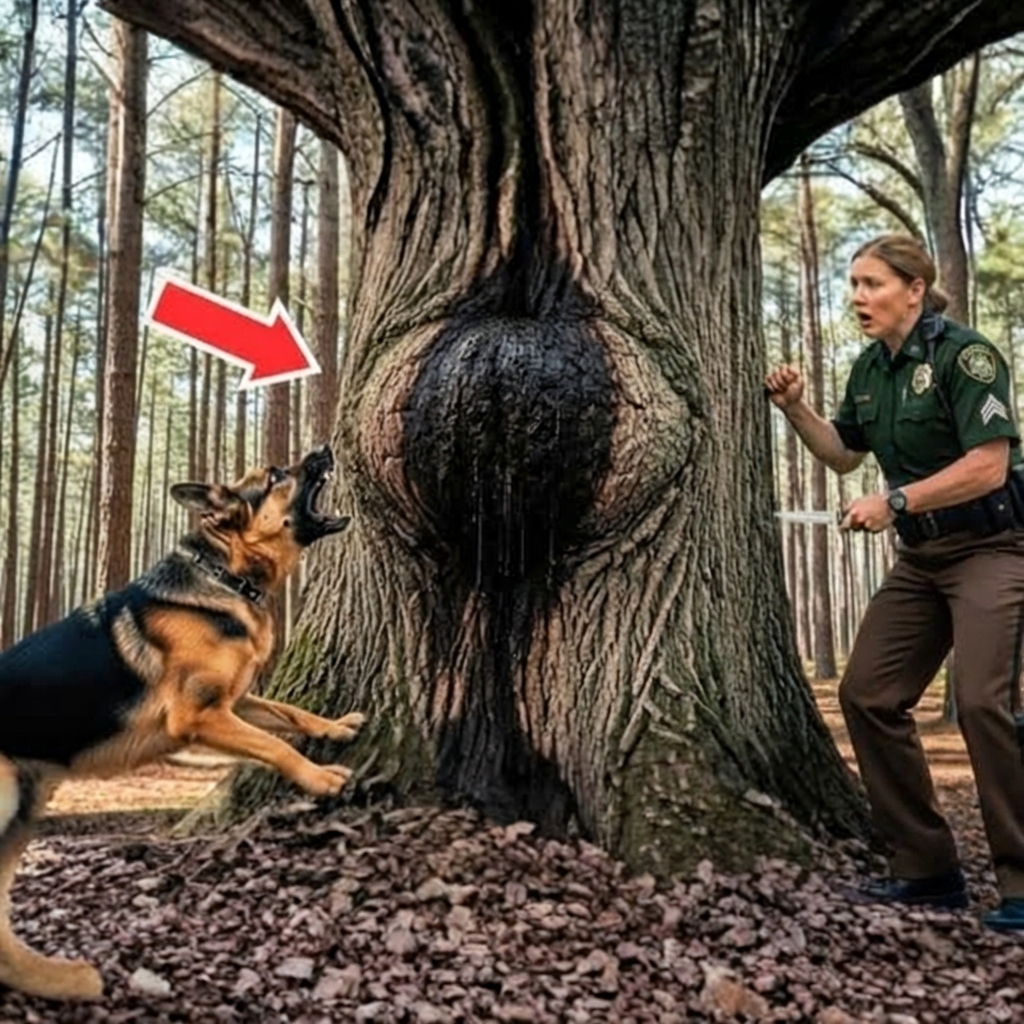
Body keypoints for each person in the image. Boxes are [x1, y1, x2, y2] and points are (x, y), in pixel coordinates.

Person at [765, 233, 1024, 933]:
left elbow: (989, 465)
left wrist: (897, 502)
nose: (857, 297)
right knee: (868, 693)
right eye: (852, 284)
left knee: (980, 703)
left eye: (872, 283)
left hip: (992, 550)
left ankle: (1020, 883)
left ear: (915, 288)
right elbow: (846, 455)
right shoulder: (869, 370)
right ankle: (926, 868)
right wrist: (794, 409)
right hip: (921, 563)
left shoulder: (966, 357)